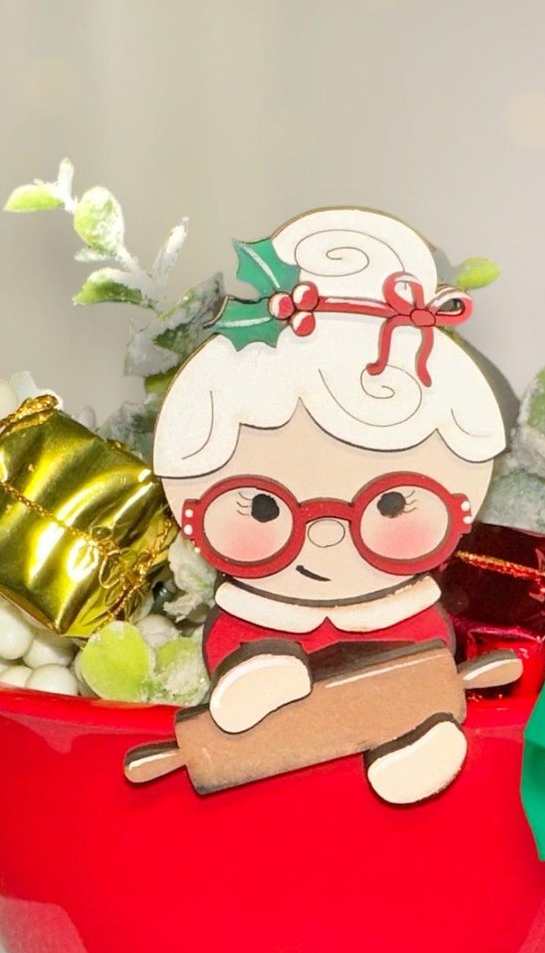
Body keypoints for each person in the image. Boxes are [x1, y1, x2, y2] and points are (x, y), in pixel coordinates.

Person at [154, 207, 506, 804]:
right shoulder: (251, 603)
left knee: (411, 680)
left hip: (394, 651)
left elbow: (431, 652)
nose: (324, 538)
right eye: (265, 509)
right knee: (246, 648)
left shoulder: (406, 606)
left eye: (390, 504)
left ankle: (415, 743)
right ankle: (253, 677)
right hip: (261, 639)